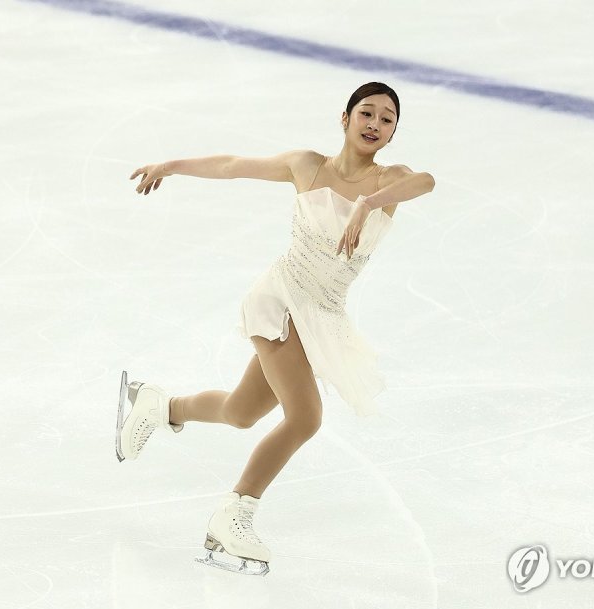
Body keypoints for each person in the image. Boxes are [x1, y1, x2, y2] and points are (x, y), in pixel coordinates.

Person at [116, 81, 435, 575]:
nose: (375, 124)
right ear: (345, 118)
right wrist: (170, 165)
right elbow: (232, 165)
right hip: (281, 300)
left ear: (393, 133)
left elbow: (426, 182)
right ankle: (234, 514)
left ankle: (160, 406)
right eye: (366, 113)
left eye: (387, 119)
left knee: (240, 412)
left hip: (323, 315)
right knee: (305, 418)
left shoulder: (389, 180)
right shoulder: (306, 165)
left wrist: (369, 204)